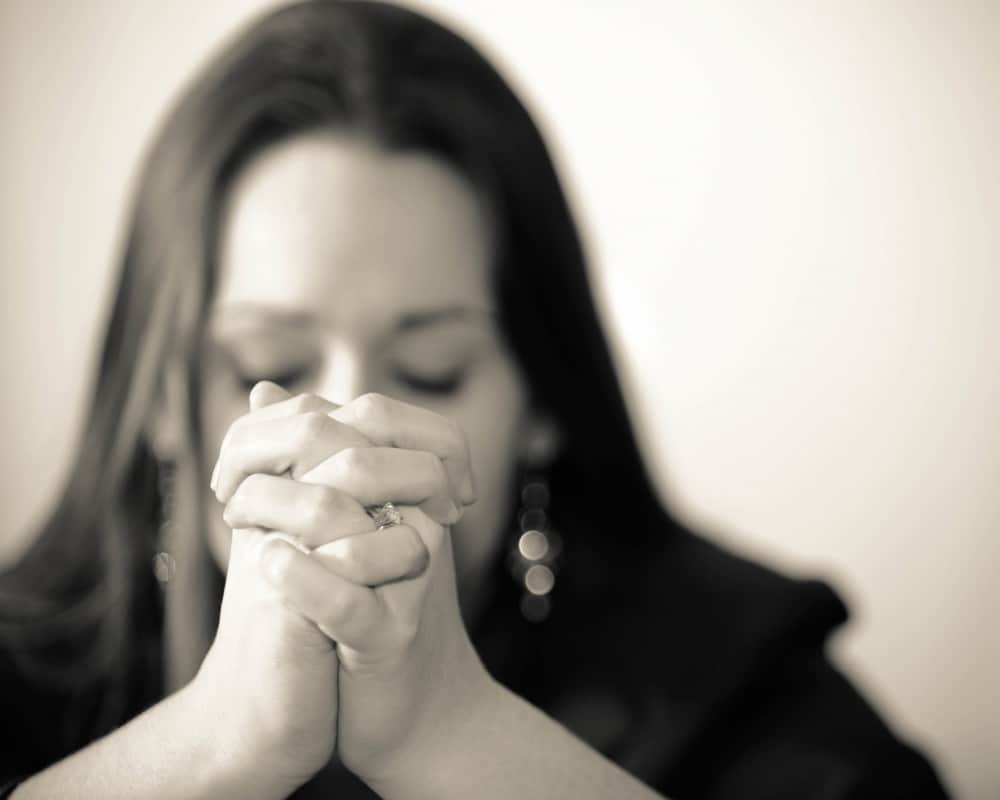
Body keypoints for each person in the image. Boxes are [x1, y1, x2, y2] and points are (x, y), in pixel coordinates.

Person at [0, 1, 949, 798]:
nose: (345, 441)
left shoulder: (743, 682)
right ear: (162, 400)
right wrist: (215, 746)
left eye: (432, 369)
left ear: (542, 400)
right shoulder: (19, 676)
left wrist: (456, 735)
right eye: (269, 362)